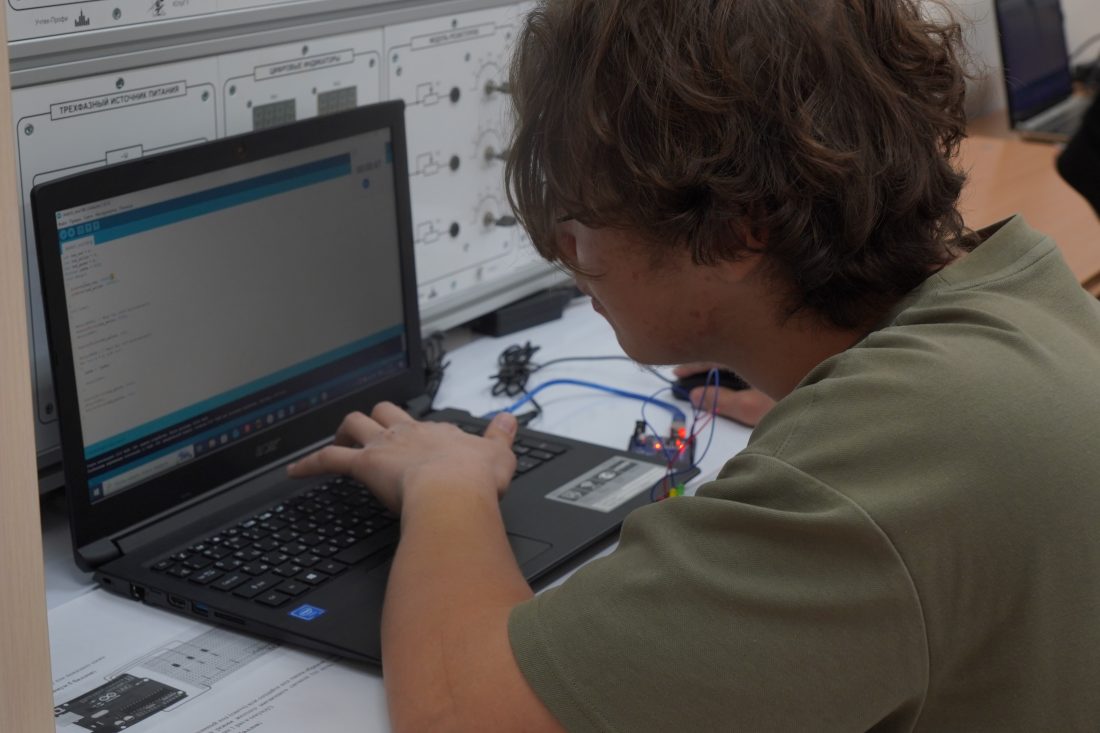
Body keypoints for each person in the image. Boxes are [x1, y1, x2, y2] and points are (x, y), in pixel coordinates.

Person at [288, 0, 1100, 729]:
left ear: (739, 228)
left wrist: (447, 486)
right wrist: (823, 407)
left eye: (576, 217)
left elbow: (461, 713)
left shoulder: (868, 477)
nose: (565, 253)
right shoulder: (1022, 300)